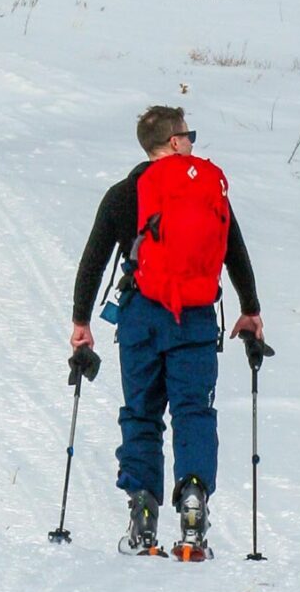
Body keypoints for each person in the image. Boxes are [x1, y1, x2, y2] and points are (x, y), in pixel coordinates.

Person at [71, 106, 264, 558]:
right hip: (194, 319)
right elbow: (235, 250)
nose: (192, 142)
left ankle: (142, 512)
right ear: (174, 142)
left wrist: (82, 322)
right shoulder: (207, 188)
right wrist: (250, 309)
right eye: (188, 135)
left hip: (140, 318)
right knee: (193, 412)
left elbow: (93, 260)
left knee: (141, 413)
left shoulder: (124, 193)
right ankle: (194, 501)